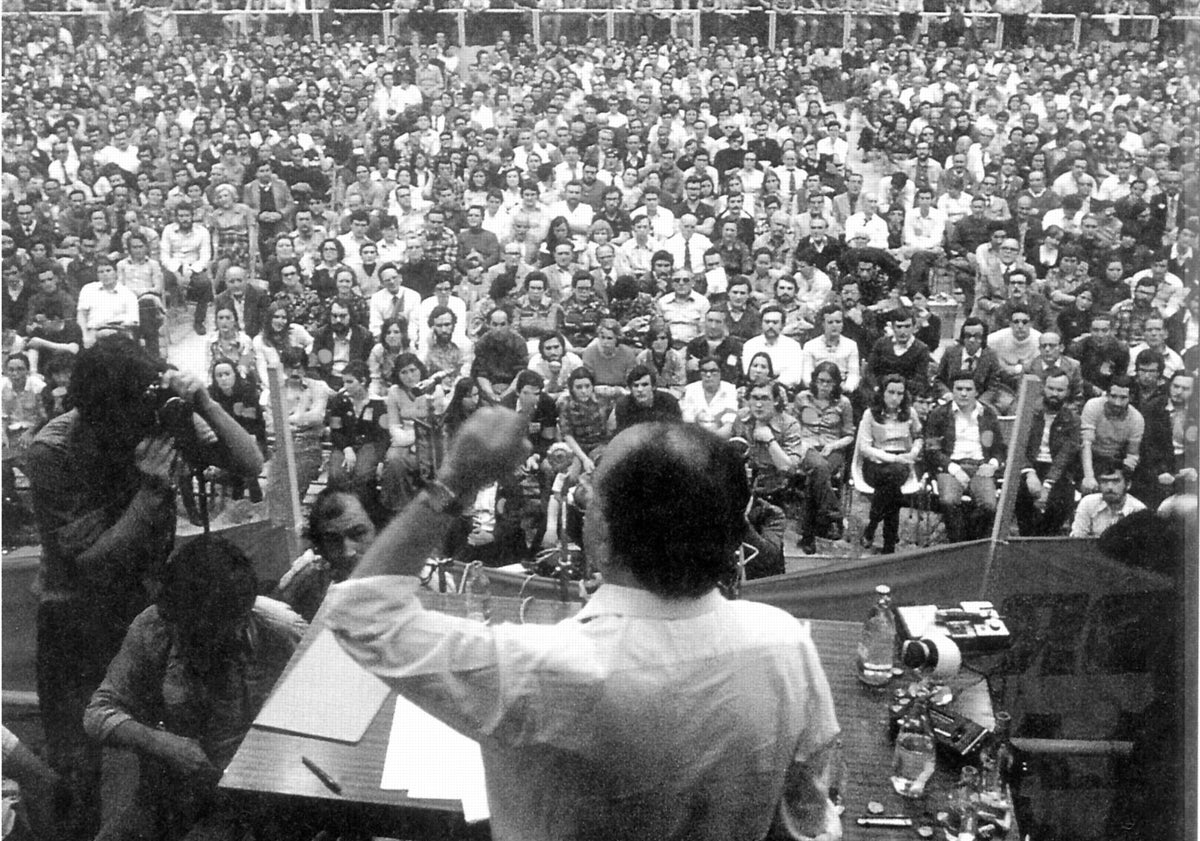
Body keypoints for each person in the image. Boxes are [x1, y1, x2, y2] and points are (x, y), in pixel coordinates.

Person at [325, 410, 841, 841]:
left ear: (603, 533)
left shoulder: (543, 668)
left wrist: (456, 476)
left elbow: (361, 613)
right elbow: (805, 823)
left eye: (592, 494)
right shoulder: (787, 644)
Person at [26, 335, 263, 837]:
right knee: (82, 763)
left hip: (147, 601)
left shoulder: (156, 420)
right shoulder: (53, 449)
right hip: (77, 615)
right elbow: (92, 565)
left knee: (163, 754)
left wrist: (204, 403)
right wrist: (151, 490)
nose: (144, 417)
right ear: (101, 411)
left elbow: (249, 462)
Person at [84, 537, 306, 841]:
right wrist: (164, 745)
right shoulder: (153, 628)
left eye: (211, 637)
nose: (199, 653)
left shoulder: (280, 630)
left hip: (260, 788)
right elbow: (98, 713)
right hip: (178, 787)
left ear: (242, 617)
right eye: (190, 635)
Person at [274, 484, 379, 621]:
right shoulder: (309, 582)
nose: (348, 552)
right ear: (320, 546)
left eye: (358, 534)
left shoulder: (407, 580)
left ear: (380, 530)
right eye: (333, 540)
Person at [923, 372, 1006, 544]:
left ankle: (972, 542)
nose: (963, 393)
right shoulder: (938, 414)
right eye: (959, 389)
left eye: (968, 389)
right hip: (950, 467)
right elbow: (932, 450)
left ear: (976, 392)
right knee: (948, 501)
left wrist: (992, 464)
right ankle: (958, 545)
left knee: (989, 506)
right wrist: (953, 468)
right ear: (952, 391)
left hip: (980, 466)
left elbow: (999, 449)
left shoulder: (988, 414)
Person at [855, 374, 924, 555]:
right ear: (882, 393)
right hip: (875, 463)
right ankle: (888, 544)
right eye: (891, 392)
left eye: (900, 393)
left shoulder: (910, 413)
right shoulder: (870, 414)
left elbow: (919, 437)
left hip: (902, 462)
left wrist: (913, 452)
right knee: (892, 488)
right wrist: (892, 458)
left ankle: (872, 526)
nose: (895, 398)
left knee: (892, 481)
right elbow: (864, 448)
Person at [793, 361, 855, 553]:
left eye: (829, 382)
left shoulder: (843, 403)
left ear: (836, 383)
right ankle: (834, 514)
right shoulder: (802, 398)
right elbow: (792, 427)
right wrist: (802, 443)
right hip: (806, 446)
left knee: (817, 474)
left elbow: (849, 435)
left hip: (832, 448)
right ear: (814, 380)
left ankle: (808, 535)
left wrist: (833, 445)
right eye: (821, 381)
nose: (824, 385)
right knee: (819, 469)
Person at [1015, 368, 1081, 536]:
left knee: (1061, 501)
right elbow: (1018, 446)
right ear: (1043, 388)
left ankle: (1044, 540)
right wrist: (1029, 473)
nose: (1055, 394)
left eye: (1060, 390)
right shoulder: (1028, 413)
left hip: (1056, 470)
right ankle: (1025, 540)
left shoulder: (1072, 419)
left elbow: (1065, 456)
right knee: (1021, 494)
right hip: (1029, 466)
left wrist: (1047, 485)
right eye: (1051, 388)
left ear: (1067, 392)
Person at [326, 359, 390, 518]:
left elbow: (382, 436)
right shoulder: (339, 401)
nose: (345, 386)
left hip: (369, 444)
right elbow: (335, 430)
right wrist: (347, 449)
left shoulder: (378, 405)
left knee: (362, 475)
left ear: (363, 381)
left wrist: (381, 460)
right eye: (344, 382)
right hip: (344, 443)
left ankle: (362, 514)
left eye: (350, 382)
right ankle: (339, 513)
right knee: (337, 474)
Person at [209, 358, 267, 504]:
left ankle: (252, 496)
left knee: (242, 456)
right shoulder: (211, 395)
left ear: (235, 374)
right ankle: (239, 494)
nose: (223, 379)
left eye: (227, 374)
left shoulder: (247, 392)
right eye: (219, 375)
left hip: (251, 438)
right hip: (223, 441)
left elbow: (252, 425)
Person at [1079, 375, 1144, 495]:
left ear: (1131, 398)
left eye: (1123, 398)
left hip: (1115, 459)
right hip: (1089, 456)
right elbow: (1086, 443)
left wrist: (1122, 478)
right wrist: (1089, 477)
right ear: (1106, 394)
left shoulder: (1137, 418)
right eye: (1113, 396)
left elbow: (1132, 454)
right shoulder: (1093, 405)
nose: (1117, 403)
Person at [1070, 463, 1146, 538]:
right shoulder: (1088, 503)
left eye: (1116, 481)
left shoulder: (1138, 510)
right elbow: (1077, 540)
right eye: (1104, 481)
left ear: (1128, 484)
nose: (1109, 487)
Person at [680, 355, 739, 439]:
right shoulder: (690, 390)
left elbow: (729, 425)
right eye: (704, 371)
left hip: (722, 439)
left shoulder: (730, 389)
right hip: (695, 439)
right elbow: (688, 422)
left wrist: (712, 440)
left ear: (720, 372)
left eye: (713, 371)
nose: (708, 375)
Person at [613, 364, 683, 432]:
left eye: (645, 385)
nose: (640, 390)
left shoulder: (669, 402)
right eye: (636, 386)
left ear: (653, 387)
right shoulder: (624, 405)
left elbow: (677, 431)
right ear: (630, 388)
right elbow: (623, 435)